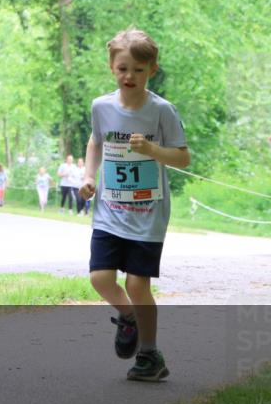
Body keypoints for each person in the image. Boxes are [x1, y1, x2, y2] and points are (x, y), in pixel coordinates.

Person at [79, 29, 189, 382]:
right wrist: (89, 176)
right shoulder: (101, 106)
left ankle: (150, 355)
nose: (130, 77)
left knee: (138, 285)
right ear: (112, 66)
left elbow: (183, 157)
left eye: (139, 70)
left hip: (148, 214)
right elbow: (95, 142)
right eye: (123, 68)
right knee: (100, 278)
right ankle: (128, 318)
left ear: (152, 70)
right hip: (110, 210)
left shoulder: (162, 111)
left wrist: (153, 151)